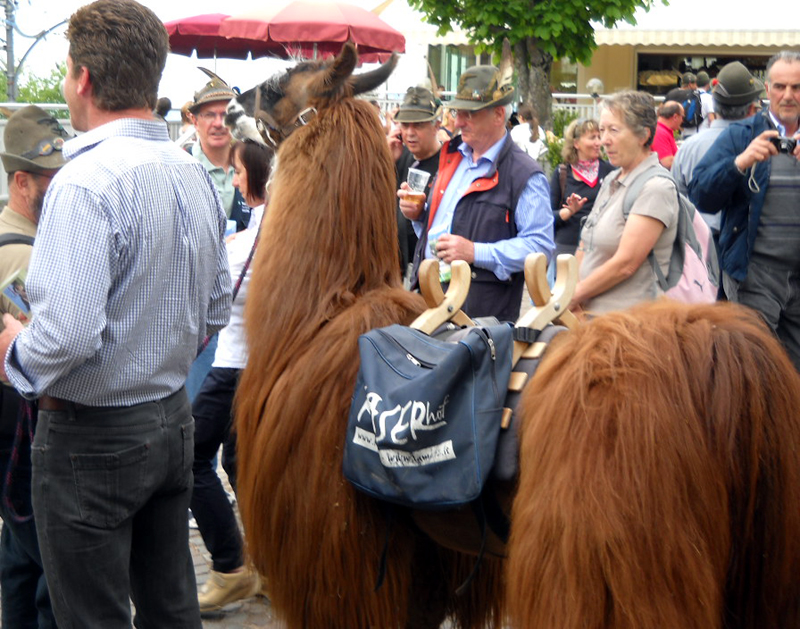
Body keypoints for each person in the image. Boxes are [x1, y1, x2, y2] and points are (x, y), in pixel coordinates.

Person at [0, 2, 232, 627]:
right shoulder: (192, 175)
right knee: (171, 608)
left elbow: (68, 335)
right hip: (168, 418)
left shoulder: (82, 181)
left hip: (91, 436)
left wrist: (13, 351)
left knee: (93, 617)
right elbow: (215, 305)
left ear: (83, 80)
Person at [399, 65, 555, 322]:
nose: (458, 122)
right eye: (458, 112)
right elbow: (441, 230)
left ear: (498, 115)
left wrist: (474, 251)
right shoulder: (453, 156)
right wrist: (419, 216)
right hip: (430, 302)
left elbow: (540, 247)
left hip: (478, 322)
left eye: (468, 114)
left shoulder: (524, 174)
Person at [192, 139, 273, 613]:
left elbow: (210, 295)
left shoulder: (246, 244)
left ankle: (230, 566)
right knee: (241, 465)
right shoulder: (273, 231)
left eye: (239, 172)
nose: (235, 179)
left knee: (190, 460)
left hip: (234, 364)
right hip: (257, 365)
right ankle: (264, 566)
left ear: (254, 179)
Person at [689, 51, 800, 370]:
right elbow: (700, 195)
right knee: (754, 368)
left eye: (796, 87)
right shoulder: (741, 135)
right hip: (755, 274)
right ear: (767, 90)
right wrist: (740, 162)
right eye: (780, 86)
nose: (788, 95)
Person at [0, 105, 67, 629]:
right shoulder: (24, 254)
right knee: (54, 564)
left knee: (20, 559)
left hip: (11, 427)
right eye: (51, 177)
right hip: (18, 424)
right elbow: (39, 358)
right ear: (22, 181)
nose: (62, 185)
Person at [570, 90, 679, 315]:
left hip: (627, 328)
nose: (604, 140)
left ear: (643, 136)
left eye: (614, 130)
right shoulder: (612, 178)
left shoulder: (656, 187)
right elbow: (585, 244)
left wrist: (575, 295)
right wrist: (570, 292)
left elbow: (626, 264)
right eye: (602, 130)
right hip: (588, 319)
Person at [672, 62, 763, 253]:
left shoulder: (687, 148)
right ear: (751, 110)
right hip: (748, 251)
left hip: (696, 249)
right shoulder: (761, 147)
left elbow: (674, 202)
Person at [387, 86, 442, 280]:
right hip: (398, 267)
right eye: (405, 125)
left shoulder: (448, 164)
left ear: (436, 126)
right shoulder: (399, 156)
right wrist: (385, 161)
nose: (410, 133)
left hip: (432, 268)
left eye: (418, 125)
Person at [188, 72, 251, 232]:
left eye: (225, 115)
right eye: (209, 115)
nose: (218, 123)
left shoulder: (251, 167)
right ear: (194, 121)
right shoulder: (180, 168)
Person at [549, 118, 614, 259]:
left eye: (599, 137)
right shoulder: (562, 173)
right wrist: (568, 212)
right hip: (566, 250)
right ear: (576, 143)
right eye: (592, 138)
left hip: (598, 250)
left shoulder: (610, 172)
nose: (598, 142)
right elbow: (546, 217)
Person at [666, 71, 702, 137]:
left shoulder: (672, 93)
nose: (696, 86)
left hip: (673, 129)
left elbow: (661, 110)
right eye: (695, 84)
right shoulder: (695, 94)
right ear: (690, 84)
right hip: (692, 130)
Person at [651, 101, 684, 168]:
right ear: (675, 117)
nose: (682, 120)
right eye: (682, 117)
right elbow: (667, 162)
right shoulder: (660, 132)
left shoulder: (662, 130)